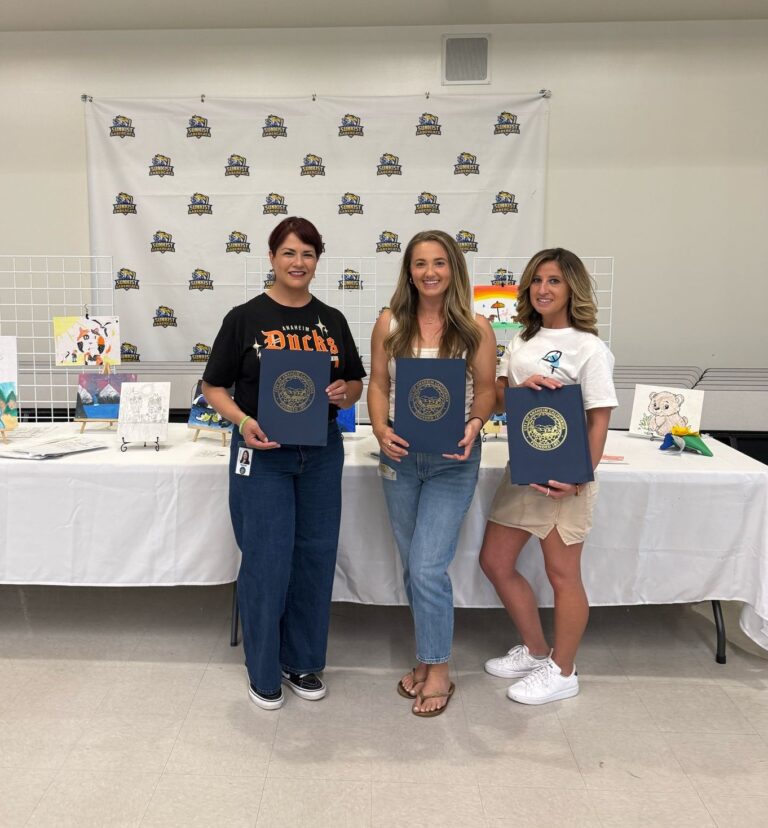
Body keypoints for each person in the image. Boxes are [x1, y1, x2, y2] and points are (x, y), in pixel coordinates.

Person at [202, 217, 365, 710]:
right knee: (267, 559)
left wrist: (344, 391)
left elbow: (354, 384)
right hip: (262, 452)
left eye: (308, 254)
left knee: (315, 557)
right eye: (289, 253)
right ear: (272, 257)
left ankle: (303, 661)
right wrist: (242, 420)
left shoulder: (332, 320)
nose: (299, 263)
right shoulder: (244, 318)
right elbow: (213, 387)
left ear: (318, 260)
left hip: (320, 453)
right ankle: (264, 667)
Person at [479, 248, 617, 705]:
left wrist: (580, 477)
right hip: (523, 470)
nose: (543, 289)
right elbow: (501, 398)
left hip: (565, 479)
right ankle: (538, 651)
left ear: (572, 287)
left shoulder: (589, 347)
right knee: (495, 562)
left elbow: (599, 419)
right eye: (537, 280)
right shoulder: (521, 341)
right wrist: (520, 387)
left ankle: (563, 671)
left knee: (562, 575)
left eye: (554, 280)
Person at [367, 230, 496, 717]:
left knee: (426, 567)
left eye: (439, 262)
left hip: (453, 461)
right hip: (399, 457)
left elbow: (487, 390)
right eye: (420, 263)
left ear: (454, 269)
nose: (429, 272)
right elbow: (378, 385)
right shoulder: (390, 322)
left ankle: (439, 668)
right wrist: (380, 428)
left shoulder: (476, 328)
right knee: (412, 566)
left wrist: (475, 424)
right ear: (409, 271)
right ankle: (426, 657)